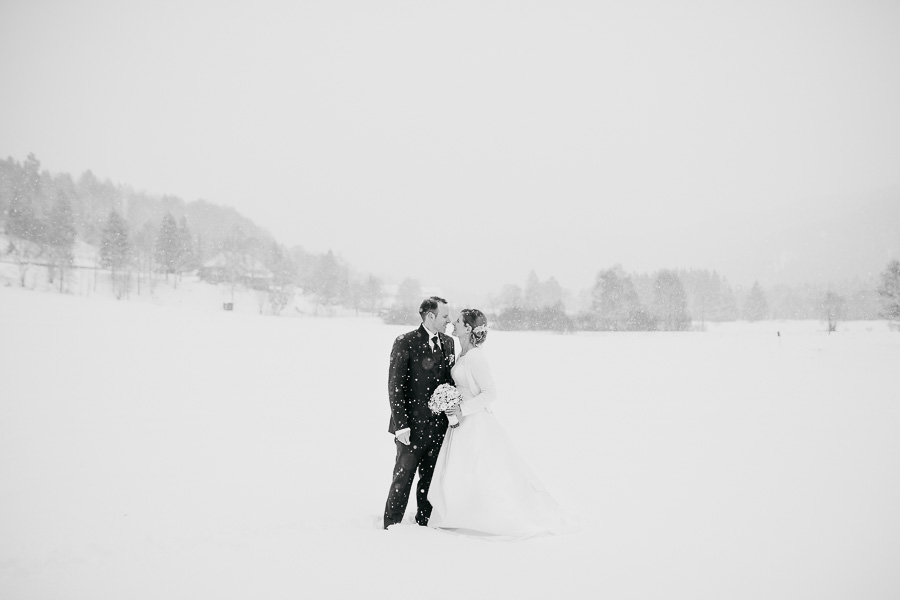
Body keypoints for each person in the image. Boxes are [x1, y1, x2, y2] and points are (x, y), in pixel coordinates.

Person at [428, 308, 567, 538]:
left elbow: (490, 393)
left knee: (479, 469)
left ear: (469, 328)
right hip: (459, 422)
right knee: (460, 470)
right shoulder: (462, 354)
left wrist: (463, 409)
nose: (454, 322)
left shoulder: (476, 357)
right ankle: (458, 513)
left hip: (474, 421)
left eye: (459, 321)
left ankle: (485, 515)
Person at [383, 296, 456, 529]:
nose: (449, 320)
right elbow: (395, 386)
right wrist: (401, 424)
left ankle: (425, 523)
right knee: (402, 478)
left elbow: (449, 383)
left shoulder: (449, 343)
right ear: (430, 316)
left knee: (431, 479)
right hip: (410, 428)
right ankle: (391, 524)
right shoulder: (405, 342)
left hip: (438, 427)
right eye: (445, 316)